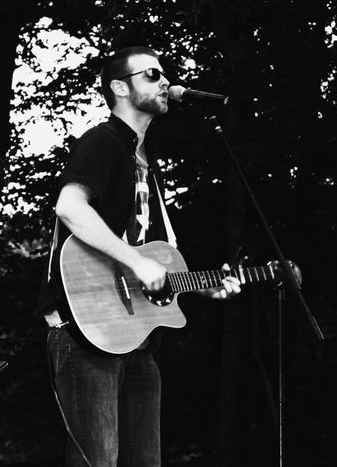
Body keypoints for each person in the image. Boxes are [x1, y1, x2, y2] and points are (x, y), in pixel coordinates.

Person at [40, 46, 241, 467]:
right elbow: (70, 208)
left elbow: (159, 261)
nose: (165, 81)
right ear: (119, 88)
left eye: (164, 74)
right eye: (151, 74)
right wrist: (135, 262)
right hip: (86, 330)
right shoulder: (103, 141)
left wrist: (204, 288)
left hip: (136, 336)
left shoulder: (147, 162)